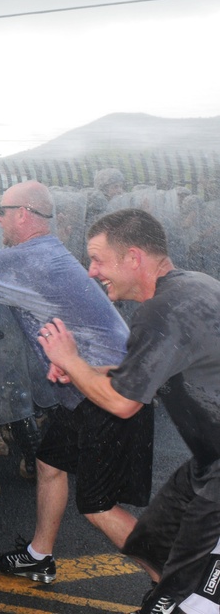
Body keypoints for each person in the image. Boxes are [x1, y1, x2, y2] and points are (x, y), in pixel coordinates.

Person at [0, 180, 153, 585]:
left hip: (108, 392)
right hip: (85, 388)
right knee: (50, 463)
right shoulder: (44, 253)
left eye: (3, 210)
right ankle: (38, 556)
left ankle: (175, 581)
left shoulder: (27, 260)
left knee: (98, 507)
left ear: (22, 214)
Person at [39, 208, 220, 614]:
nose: (91, 271)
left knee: (185, 597)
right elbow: (151, 369)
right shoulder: (193, 286)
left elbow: (122, 403)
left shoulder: (161, 311)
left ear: (133, 257)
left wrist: (70, 357)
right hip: (209, 464)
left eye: (98, 259)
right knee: (149, 543)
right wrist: (81, 369)